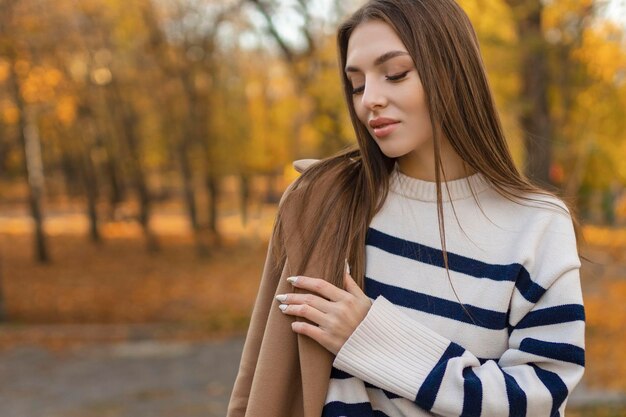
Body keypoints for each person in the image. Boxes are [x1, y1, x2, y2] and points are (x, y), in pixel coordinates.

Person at [227, 0, 585, 416]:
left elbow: (539, 398)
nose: (369, 101)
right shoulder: (320, 204)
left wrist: (373, 340)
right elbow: (258, 378)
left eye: (394, 74)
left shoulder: (537, 225)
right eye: (357, 85)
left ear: (452, 72)